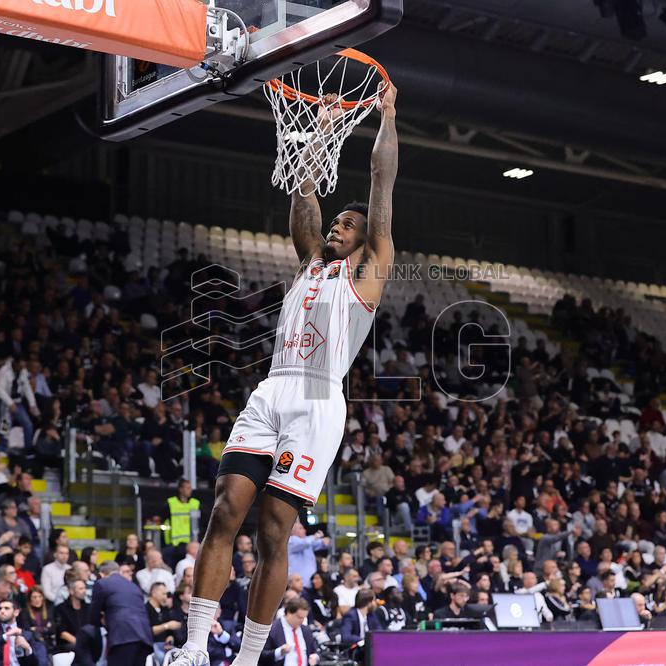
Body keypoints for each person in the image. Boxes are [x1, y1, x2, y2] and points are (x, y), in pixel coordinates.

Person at [169, 82, 399, 666]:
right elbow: (305, 192)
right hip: (272, 389)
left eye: (348, 225)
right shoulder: (308, 262)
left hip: (319, 402)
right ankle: (195, 646)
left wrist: (386, 118)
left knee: (274, 533)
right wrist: (321, 133)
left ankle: (247, 659)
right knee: (225, 511)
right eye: (338, 222)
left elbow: (381, 186)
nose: (338, 228)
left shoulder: (368, 273)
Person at [90, 560, 154, 664]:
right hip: (144, 637)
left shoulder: (102, 583)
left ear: (101, 574)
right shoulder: (134, 586)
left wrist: (101, 622)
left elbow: (93, 616)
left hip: (122, 636)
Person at [262, 597, 320, 665]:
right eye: (299, 617)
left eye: (304, 618)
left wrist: (316, 657)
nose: (302, 621)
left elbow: (315, 650)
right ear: (289, 612)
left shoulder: (306, 630)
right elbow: (262, 655)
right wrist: (279, 652)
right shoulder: (272, 629)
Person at [0, 600, 35, 666]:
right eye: (0, 609)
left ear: (16, 612)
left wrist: (28, 649)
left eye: (6, 608)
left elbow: (36, 663)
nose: (2, 611)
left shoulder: (27, 634)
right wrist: (6, 635)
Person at [287, 521, 329, 586]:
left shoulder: (308, 541)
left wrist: (324, 541)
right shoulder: (290, 541)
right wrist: (316, 536)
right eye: (301, 528)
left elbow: (320, 543)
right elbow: (304, 543)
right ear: (292, 531)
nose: (304, 530)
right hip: (297, 584)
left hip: (311, 583)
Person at [55, 579, 89, 653]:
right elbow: (62, 633)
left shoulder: (88, 608)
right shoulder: (61, 608)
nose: (84, 591)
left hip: (86, 644)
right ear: (71, 591)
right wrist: (80, 644)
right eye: (81, 588)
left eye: (85, 588)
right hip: (68, 645)